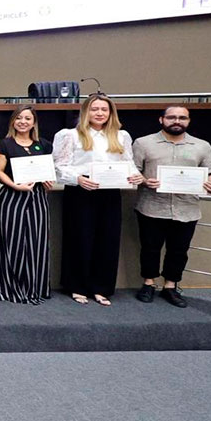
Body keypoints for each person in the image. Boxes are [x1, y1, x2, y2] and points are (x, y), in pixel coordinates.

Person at [53, 93, 143, 306]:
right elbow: (59, 166)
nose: (100, 113)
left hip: (110, 193)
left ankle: (101, 288)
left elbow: (128, 163)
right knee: (79, 240)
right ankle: (77, 286)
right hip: (81, 191)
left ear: (111, 113)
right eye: (95, 109)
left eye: (104, 109)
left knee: (108, 240)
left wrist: (136, 175)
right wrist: (78, 179)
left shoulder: (121, 136)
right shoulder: (70, 135)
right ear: (86, 112)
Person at [132, 106, 211, 308]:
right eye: (171, 117)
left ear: (188, 121)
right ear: (161, 119)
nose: (177, 121)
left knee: (179, 250)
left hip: (187, 208)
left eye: (182, 118)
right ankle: (148, 283)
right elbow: (133, 172)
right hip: (151, 206)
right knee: (150, 248)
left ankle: (171, 286)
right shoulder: (143, 143)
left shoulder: (202, 146)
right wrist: (145, 181)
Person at [0, 105, 53, 304]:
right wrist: (15, 185)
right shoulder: (5, 144)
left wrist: (47, 180)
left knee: (37, 243)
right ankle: (10, 287)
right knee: (11, 243)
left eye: (27, 118)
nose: (23, 122)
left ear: (34, 122)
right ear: (13, 122)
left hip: (37, 199)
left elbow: (48, 169)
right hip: (11, 198)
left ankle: (35, 288)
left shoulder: (43, 144)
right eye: (19, 118)